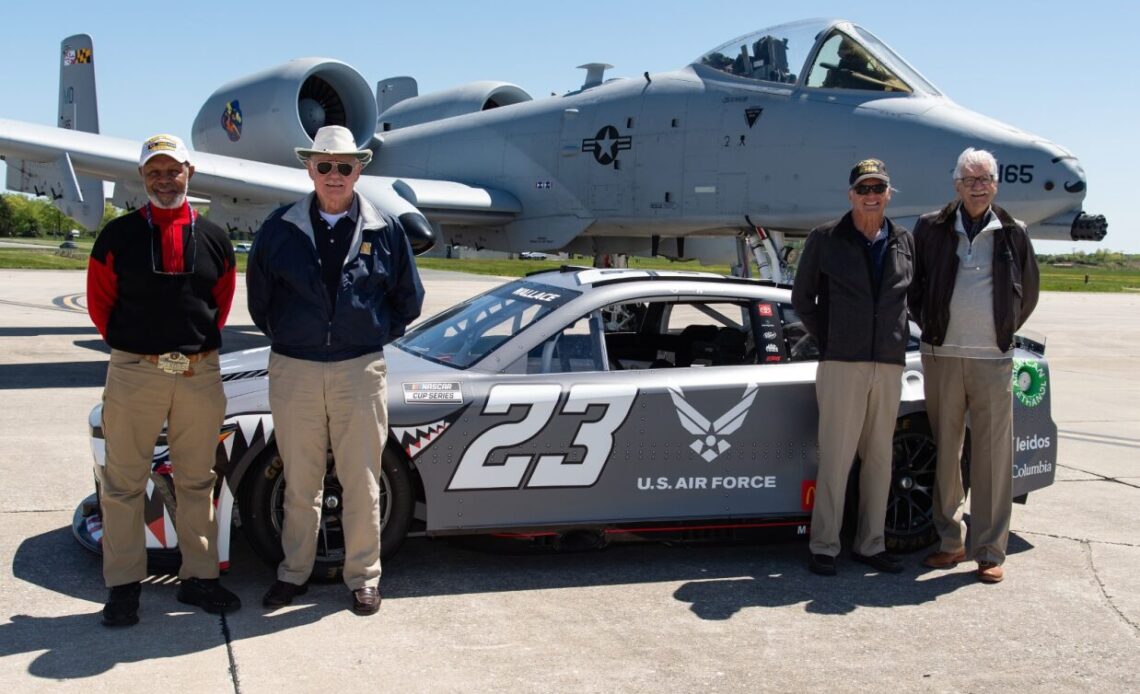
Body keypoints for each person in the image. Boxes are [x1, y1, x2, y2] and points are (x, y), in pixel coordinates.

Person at [246, 125, 424, 615]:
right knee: (302, 481)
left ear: (358, 169)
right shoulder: (280, 229)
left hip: (358, 370)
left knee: (361, 477)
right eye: (324, 165)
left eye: (344, 166)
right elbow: (261, 303)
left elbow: (408, 299)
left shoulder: (384, 229)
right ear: (309, 168)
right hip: (295, 369)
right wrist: (297, 335)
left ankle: (363, 576)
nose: (334, 175)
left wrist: (361, 334)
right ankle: (294, 572)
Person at [86, 133, 240, 626]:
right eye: (154, 171)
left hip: (197, 374)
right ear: (141, 178)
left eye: (172, 170)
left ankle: (198, 579)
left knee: (197, 480)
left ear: (188, 173)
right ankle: (124, 588)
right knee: (124, 484)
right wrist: (139, 348)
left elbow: (221, 300)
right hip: (136, 373)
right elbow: (99, 302)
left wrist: (190, 348)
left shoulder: (215, 237)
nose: (164, 179)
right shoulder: (118, 235)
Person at [909, 148, 1040, 584]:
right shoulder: (931, 228)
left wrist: (1002, 330)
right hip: (941, 356)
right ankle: (950, 543)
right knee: (947, 451)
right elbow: (915, 284)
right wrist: (930, 326)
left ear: (995, 184)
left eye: (985, 179)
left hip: (992, 359)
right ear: (956, 185)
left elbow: (1029, 290)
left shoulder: (1013, 232)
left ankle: (988, 550)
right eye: (970, 179)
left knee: (990, 457)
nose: (978, 186)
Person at [791, 158, 914, 576]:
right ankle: (824, 545)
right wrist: (832, 337)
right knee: (837, 458)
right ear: (850, 195)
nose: (871, 196)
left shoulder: (902, 241)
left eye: (878, 188)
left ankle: (870, 543)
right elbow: (803, 299)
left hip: (889, 363)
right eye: (863, 189)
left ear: (888, 194)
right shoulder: (826, 238)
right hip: (842, 362)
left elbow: (909, 298)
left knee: (880, 458)